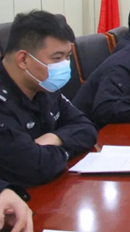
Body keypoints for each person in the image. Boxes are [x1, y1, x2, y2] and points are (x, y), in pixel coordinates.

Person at [0, 11, 97, 186]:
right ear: (23, 59)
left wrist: (55, 138)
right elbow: (35, 168)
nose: (65, 65)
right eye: (57, 58)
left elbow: (87, 128)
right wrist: (68, 148)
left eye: (67, 57)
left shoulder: (43, 85)